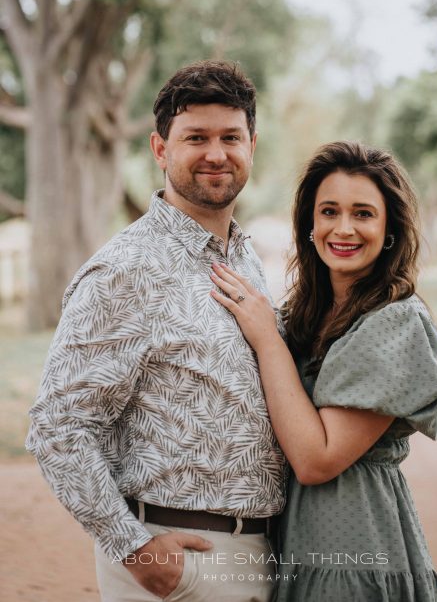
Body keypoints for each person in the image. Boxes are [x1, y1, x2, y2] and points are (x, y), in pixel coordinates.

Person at [26, 59, 286, 602]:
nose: (216, 153)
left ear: (252, 146)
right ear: (160, 149)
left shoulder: (245, 258)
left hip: (263, 551)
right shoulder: (125, 270)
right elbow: (58, 426)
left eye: (230, 137)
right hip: (178, 558)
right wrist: (135, 552)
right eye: (196, 138)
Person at [210, 140, 437, 602]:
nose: (343, 228)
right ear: (310, 224)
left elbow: (316, 459)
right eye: (329, 212)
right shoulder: (306, 314)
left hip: (356, 548)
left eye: (363, 214)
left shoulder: (395, 321)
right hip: (298, 543)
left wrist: (267, 340)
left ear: (390, 228)